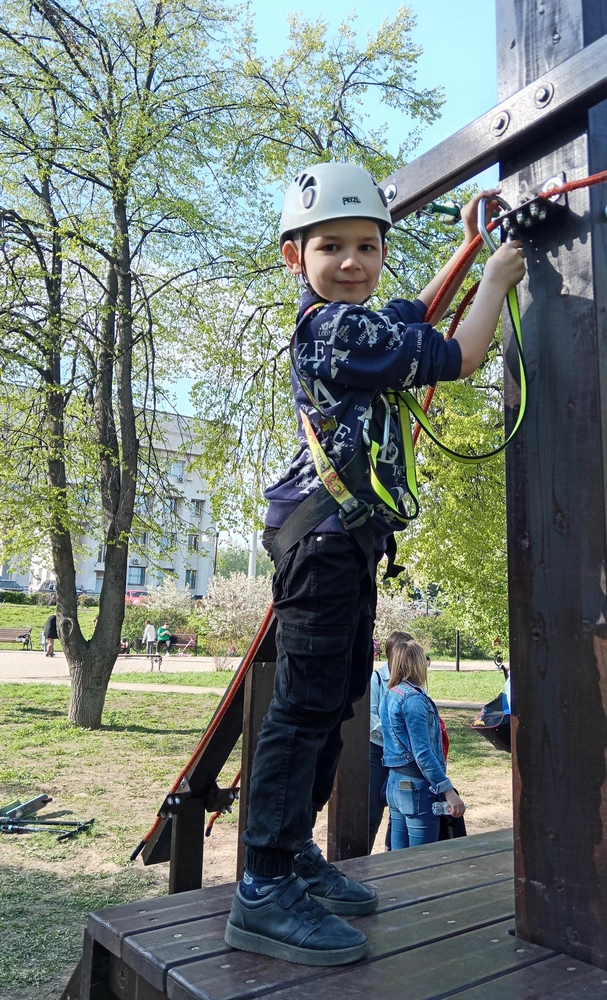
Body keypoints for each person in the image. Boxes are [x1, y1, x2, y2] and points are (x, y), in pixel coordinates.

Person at [225, 161, 526, 967]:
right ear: (296, 256)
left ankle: (289, 859)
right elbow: (458, 353)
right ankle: (260, 884)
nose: (352, 262)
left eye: (368, 245)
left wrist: (464, 251)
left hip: (344, 544)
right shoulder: (331, 329)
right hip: (321, 543)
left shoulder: (360, 323)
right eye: (331, 246)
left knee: (327, 711)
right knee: (302, 710)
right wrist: (498, 273)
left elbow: (416, 315)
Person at [380, 639, 465, 849]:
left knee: (400, 862)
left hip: (395, 783)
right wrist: (448, 791)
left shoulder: (391, 694)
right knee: (422, 860)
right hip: (416, 788)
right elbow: (423, 753)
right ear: (416, 664)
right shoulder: (413, 699)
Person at [369, 630, 414, 851]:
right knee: (373, 806)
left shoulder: (415, 681)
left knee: (401, 804)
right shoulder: (377, 678)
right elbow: (371, 718)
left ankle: (391, 850)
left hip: (404, 752)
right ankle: (362, 855)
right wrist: (396, 736)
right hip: (378, 751)